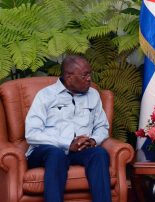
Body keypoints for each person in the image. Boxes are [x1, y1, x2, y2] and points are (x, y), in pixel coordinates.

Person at [25, 55, 111, 202]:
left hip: (79, 150)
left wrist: (92, 140)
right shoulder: (46, 96)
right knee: (56, 154)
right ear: (69, 77)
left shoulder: (93, 95)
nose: (89, 78)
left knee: (99, 154)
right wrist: (67, 143)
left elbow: (102, 126)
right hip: (46, 151)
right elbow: (32, 133)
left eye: (90, 74)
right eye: (85, 75)